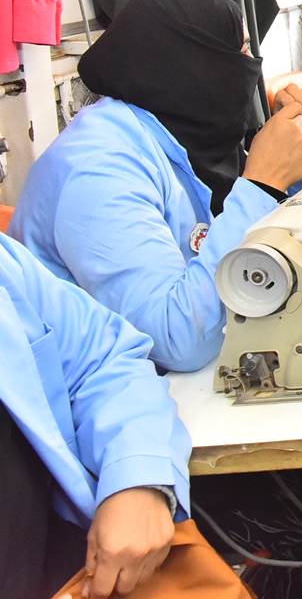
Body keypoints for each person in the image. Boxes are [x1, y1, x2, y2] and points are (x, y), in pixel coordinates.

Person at [12, 0, 302, 373]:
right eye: (240, 51)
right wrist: (261, 185)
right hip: (84, 389)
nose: (250, 67)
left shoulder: (183, 135)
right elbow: (177, 341)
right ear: (193, 64)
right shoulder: (98, 170)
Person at [0, 232, 198, 597]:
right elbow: (181, 334)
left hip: (68, 570)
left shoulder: (6, 266)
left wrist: (137, 479)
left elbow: (102, 359)